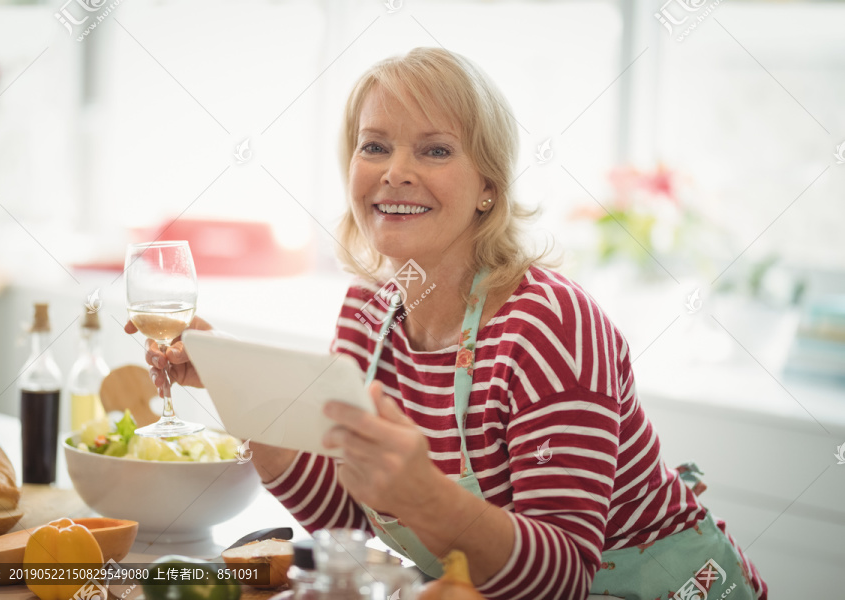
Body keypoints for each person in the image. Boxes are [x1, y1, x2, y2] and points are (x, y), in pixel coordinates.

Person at [126, 47, 767, 600]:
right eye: (374, 146)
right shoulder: (368, 312)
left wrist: (426, 495)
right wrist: (242, 393)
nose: (394, 170)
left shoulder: (549, 326)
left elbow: (563, 577)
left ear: (488, 184)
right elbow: (347, 518)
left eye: (434, 150)